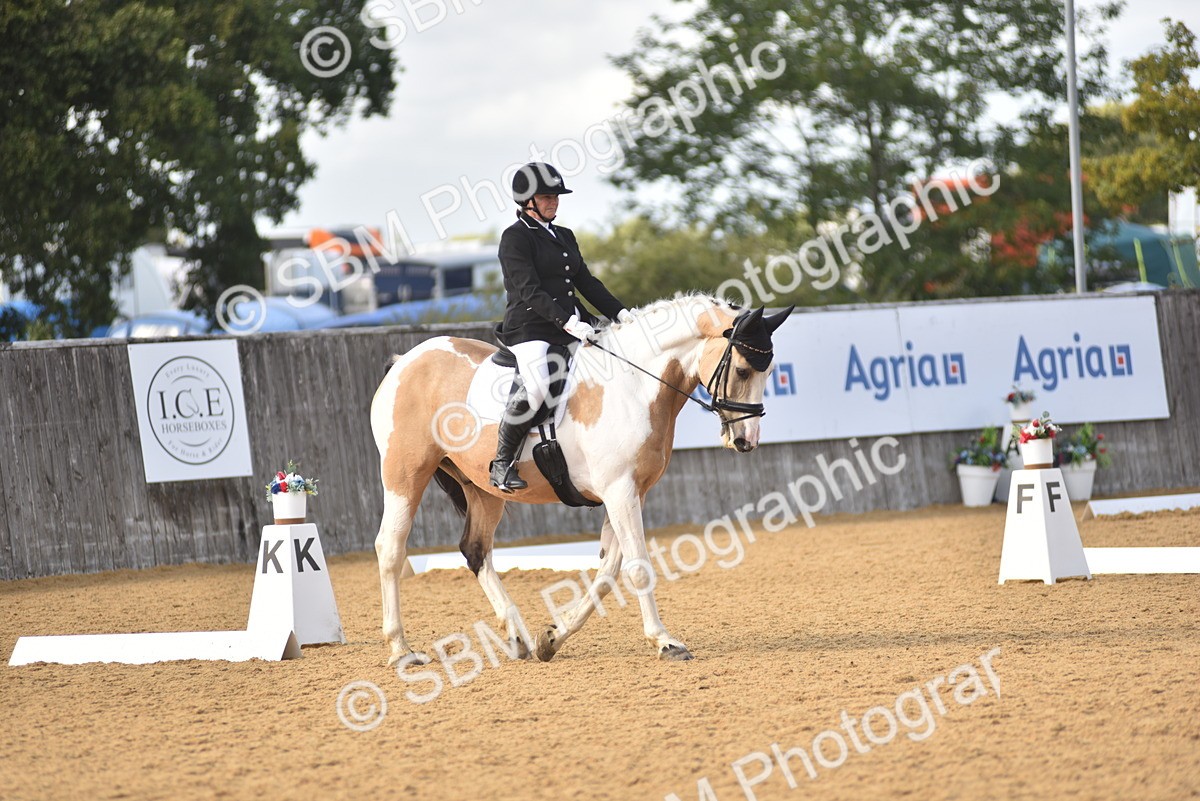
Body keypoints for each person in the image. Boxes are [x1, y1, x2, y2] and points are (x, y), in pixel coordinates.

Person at [490, 162, 635, 492]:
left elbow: (586, 282)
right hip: (531, 328)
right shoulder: (514, 238)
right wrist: (568, 322)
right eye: (545, 196)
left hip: (572, 325)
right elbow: (529, 290)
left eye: (556, 196)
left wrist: (621, 313)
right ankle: (501, 463)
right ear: (527, 201)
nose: (553, 201)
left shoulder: (564, 236)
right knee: (539, 385)